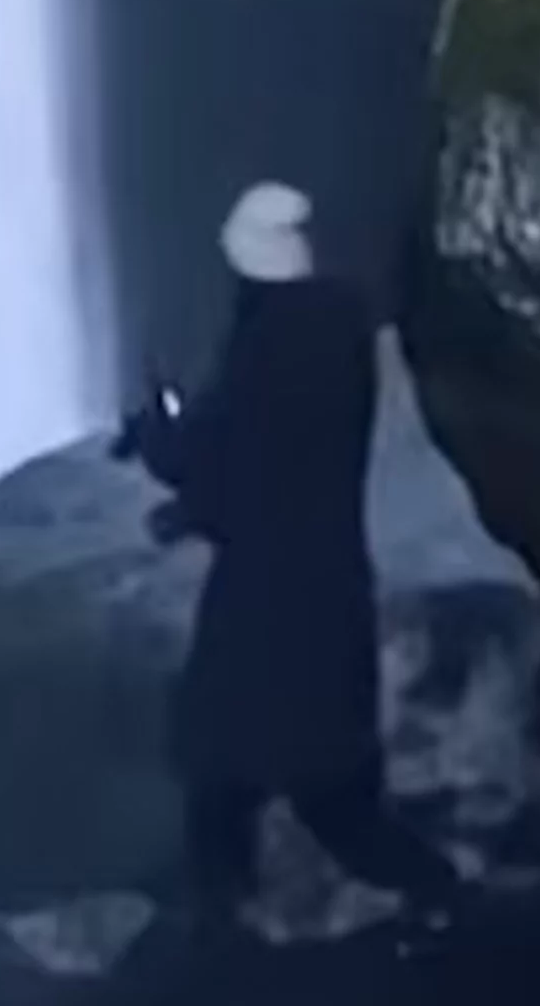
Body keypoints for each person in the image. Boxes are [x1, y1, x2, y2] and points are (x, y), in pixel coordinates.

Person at [117, 177, 393, 921]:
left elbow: (217, 461)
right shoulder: (341, 342)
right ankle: (440, 905)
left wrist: (155, 433)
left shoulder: (265, 353)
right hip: (332, 600)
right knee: (336, 801)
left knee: (224, 783)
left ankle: (223, 947)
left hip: (264, 612)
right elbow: (283, 476)